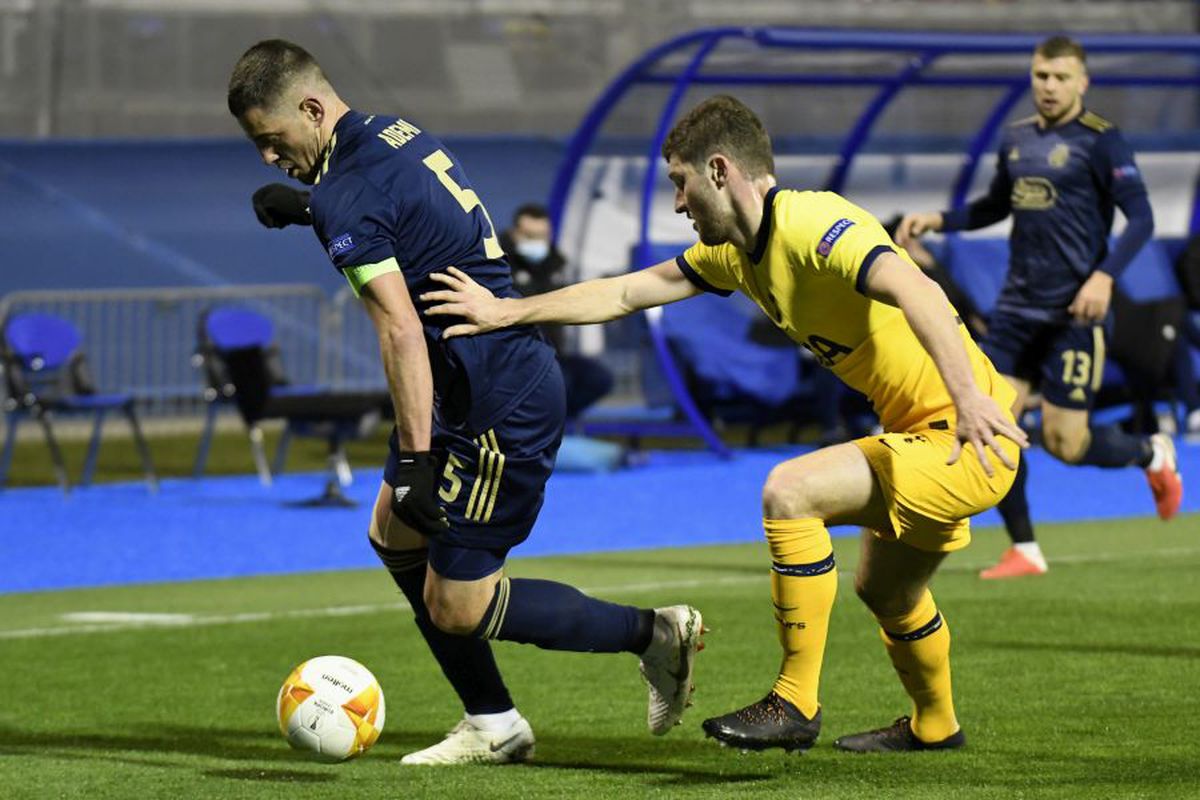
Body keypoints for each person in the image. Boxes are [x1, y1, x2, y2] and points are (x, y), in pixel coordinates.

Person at [422, 94, 1028, 753]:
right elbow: (625, 292)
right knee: (889, 592)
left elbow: (920, 291)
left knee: (790, 492)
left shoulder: (815, 222)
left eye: (680, 184)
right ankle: (936, 728)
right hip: (932, 437)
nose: (678, 204)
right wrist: (507, 311)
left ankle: (795, 701)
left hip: (964, 435)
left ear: (718, 170)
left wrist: (968, 398)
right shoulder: (736, 255)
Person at [227, 39, 703, 766]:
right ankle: (492, 722)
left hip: (494, 403)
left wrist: (416, 459)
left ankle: (654, 634)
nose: (267, 156)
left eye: (272, 139)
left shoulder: (346, 194)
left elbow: (400, 327)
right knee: (393, 534)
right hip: (468, 386)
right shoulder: (393, 132)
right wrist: (307, 207)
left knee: (458, 605)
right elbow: (409, 214)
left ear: (313, 109)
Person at [896, 35, 1184, 580]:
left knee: (1064, 444)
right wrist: (941, 218)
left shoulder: (1103, 142)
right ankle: (1025, 547)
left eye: (1059, 77)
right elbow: (992, 207)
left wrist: (1102, 277)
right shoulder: (1016, 139)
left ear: (1082, 82)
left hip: (1074, 315)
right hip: (1015, 311)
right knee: (988, 425)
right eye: (1040, 76)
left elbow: (1141, 218)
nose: (1048, 87)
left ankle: (1151, 454)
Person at [500, 204, 615, 421]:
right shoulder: (499, 265)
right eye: (529, 236)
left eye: (542, 236)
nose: (536, 242)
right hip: (514, 357)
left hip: (553, 353)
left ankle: (559, 424)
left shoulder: (556, 264)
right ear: (515, 233)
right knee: (559, 382)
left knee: (599, 378)